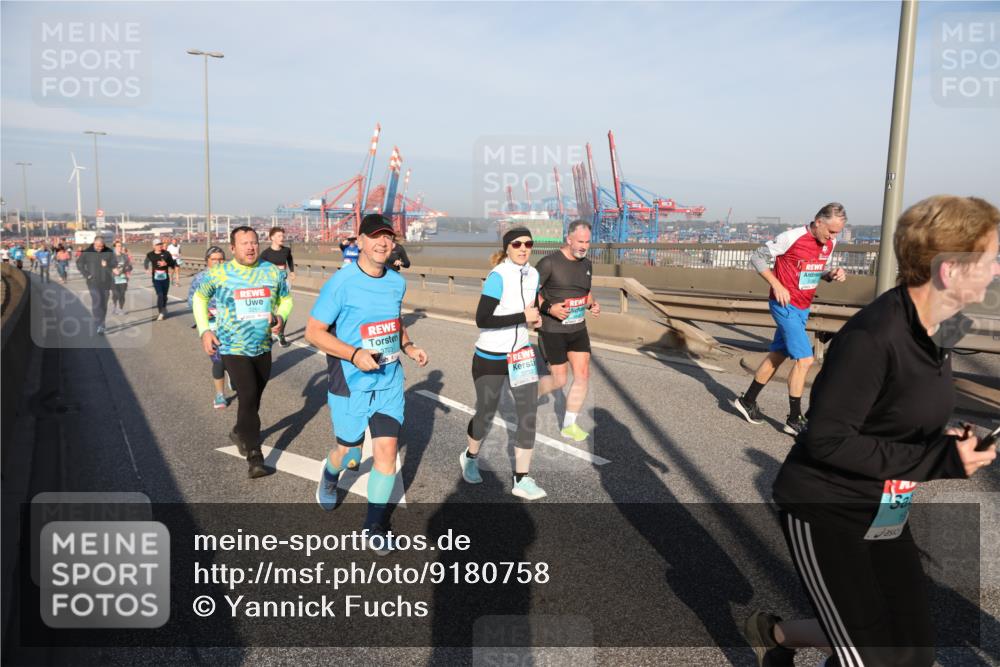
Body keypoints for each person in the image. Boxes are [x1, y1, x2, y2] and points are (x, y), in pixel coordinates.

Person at [743, 195, 1000, 667]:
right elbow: (826, 440)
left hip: (883, 510)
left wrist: (951, 442)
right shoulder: (874, 337)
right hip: (826, 513)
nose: (996, 270)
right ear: (950, 270)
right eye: (988, 260)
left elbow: (897, 417)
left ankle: (777, 636)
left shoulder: (937, 329)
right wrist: (940, 459)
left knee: (913, 652)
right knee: (872, 657)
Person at [307, 214, 428, 551]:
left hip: (388, 380)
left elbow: (394, 320)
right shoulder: (340, 283)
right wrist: (353, 353)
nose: (383, 242)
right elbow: (313, 332)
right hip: (350, 381)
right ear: (359, 241)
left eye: (388, 236)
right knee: (348, 452)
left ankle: (374, 525)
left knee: (387, 451)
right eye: (375, 236)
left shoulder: (395, 282)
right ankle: (330, 477)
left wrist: (409, 346)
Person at [732, 203, 847, 436]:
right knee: (805, 360)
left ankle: (747, 401)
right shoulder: (791, 237)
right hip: (784, 305)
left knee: (777, 354)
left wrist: (831, 274)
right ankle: (794, 419)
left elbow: (817, 268)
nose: (834, 237)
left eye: (838, 232)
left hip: (803, 307)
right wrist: (777, 285)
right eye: (831, 231)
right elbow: (757, 257)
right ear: (818, 223)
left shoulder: (829, 243)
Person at [193, 226, 293, 478]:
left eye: (254, 243)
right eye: (244, 243)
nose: (250, 247)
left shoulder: (270, 271)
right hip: (232, 346)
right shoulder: (220, 273)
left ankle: (239, 431)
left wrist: (281, 316)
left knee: (253, 400)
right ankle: (254, 454)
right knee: (247, 394)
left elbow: (286, 299)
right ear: (233, 248)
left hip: (262, 346)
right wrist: (205, 330)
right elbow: (199, 298)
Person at [460, 227, 547, 500]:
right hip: (490, 356)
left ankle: (522, 478)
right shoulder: (498, 276)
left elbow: (530, 308)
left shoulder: (533, 274)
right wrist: (522, 315)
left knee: (528, 414)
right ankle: (470, 456)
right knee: (485, 413)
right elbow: (482, 319)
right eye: (517, 244)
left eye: (528, 244)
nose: (523, 248)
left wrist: (535, 318)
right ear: (507, 248)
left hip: (520, 354)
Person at [535, 220, 601, 442]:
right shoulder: (548, 263)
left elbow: (585, 292)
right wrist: (549, 308)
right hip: (552, 329)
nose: (584, 246)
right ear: (569, 239)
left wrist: (592, 304)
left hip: (578, 328)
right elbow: (529, 292)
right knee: (560, 380)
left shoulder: (587, 265)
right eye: (580, 241)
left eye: (588, 242)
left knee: (582, 375)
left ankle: (569, 425)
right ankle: (528, 395)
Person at [189, 246, 229, 410]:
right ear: (207, 261)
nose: (218, 262)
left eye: (221, 259)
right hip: (210, 325)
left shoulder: (231, 277)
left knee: (234, 357)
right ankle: (220, 395)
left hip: (229, 324)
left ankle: (232, 373)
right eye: (214, 259)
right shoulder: (200, 278)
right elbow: (191, 300)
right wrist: (204, 312)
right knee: (218, 360)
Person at [259, 227, 295, 347]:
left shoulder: (286, 250)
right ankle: (268, 334)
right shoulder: (265, 254)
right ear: (272, 238)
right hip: (270, 286)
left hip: (284, 284)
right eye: (279, 236)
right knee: (268, 311)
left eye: (282, 236)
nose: (282, 238)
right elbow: (260, 269)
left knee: (284, 310)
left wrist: (292, 271)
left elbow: (289, 259)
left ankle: (281, 334)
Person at [75, 235, 116, 335]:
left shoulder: (109, 252)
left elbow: (114, 264)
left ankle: (102, 321)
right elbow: (79, 263)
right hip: (93, 282)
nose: (100, 248)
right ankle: (100, 324)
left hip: (106, 282)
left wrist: (108, 265)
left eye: (102, 246)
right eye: (98, 246)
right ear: (94, 243)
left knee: (104, 303)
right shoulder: (87, 252)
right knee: (97, 301)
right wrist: (86, 274)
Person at [144, 239, 178, 321]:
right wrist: (146, 268)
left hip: (165, 278)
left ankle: (163, 307)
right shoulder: (150, 254)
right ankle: (161, 312)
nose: (159, 246)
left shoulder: (166, 254)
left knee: (164, 296)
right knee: (160, 295)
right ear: (153, 246)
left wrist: (166, 264)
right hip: (156, 278)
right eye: (157, 244)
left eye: (160, 244)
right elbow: (146, 262)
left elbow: (173, 264)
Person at [110, 241, 133, 315]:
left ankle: (120, 309)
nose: (119, 247)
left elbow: (130, 266)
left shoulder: (125, 256)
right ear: (114, 247)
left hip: (123, 278)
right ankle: (114, 306)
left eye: (120, 246)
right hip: (113, 278)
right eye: (117, 246)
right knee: (115, 293)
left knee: (122, 294)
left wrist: (127, 268)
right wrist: (113, 269)